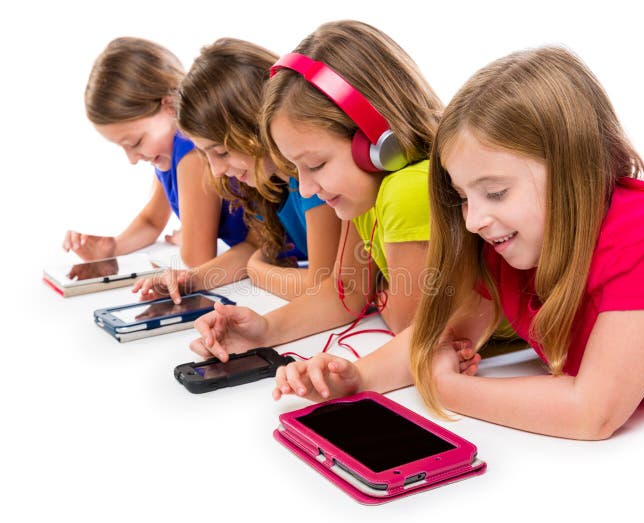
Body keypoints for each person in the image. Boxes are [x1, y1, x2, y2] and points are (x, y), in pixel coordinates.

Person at [272, 46, 644, 440]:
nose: (475, 220)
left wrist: (447, 387)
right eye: (462, 198)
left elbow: (591, 412)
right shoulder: (505, 247)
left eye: (495, 193)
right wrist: (355, 378)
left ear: (575, 167)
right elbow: (441, 333)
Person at [189, 20, 442, 361]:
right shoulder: (367, 194)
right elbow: (347, 293)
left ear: (377, 142)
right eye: (296, 168)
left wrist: (383, 295)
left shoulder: (405, 190)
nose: (305, 187)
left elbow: (409, 324)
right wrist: (263, 329)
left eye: (317, 165)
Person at [133, 38, 341, 303]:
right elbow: (256, 246)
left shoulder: (312, 180)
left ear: (255, 125)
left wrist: (257, 270)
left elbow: (321, 284)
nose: (217, 171)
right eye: (206, 156)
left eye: (221, 152)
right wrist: (192, 280)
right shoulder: (266, 180)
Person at [63, 37, 248, 269]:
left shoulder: (191, 152)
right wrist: (113, 247)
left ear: (169, 106)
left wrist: (190, 239)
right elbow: (151, 222)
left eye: (136, 142)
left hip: (282, 255)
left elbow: (199, 260)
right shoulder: (168, 155)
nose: (132, 159)